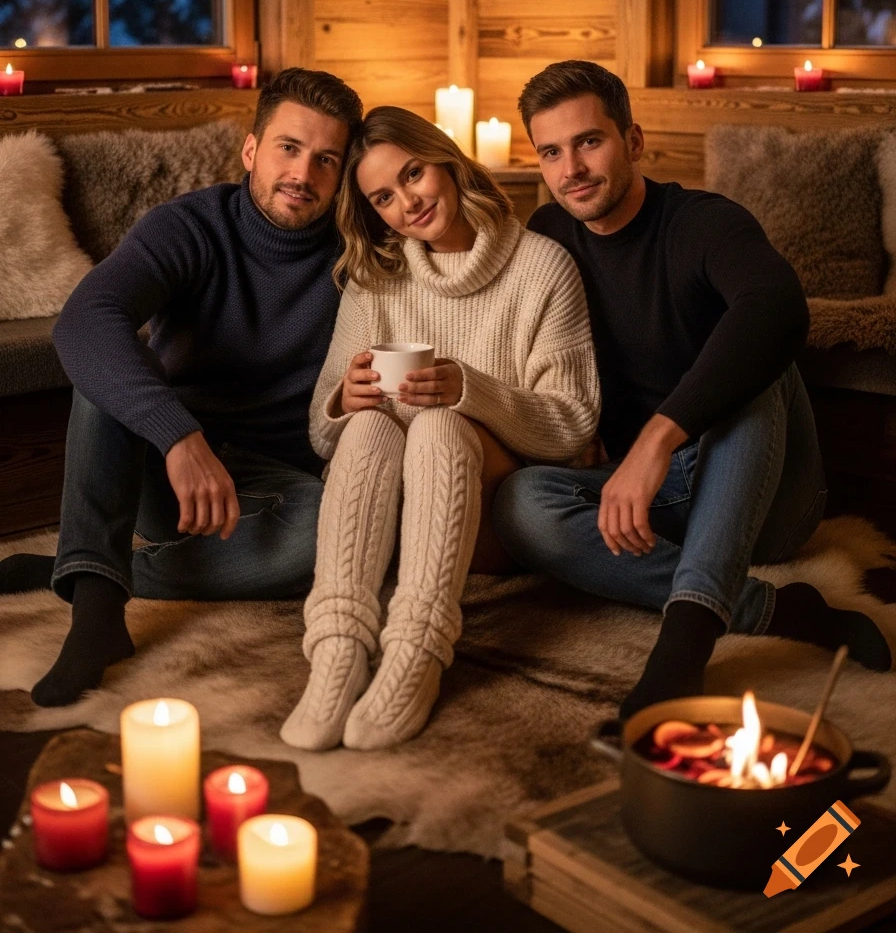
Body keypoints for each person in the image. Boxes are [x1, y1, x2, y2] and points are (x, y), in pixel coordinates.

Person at [492, 61, 892, 719]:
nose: (573, 169)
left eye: (589, 141)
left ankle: (683, 648)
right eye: (552, 152)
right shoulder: (548, 238)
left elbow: (778, 307)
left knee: (759, 364)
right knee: (521, 503)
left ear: (635, 141)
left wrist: (658, 436)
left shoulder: (704, 222)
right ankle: (779, 609)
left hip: (765, 495)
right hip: (654, 502)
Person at [0, 68, 363, 708]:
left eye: (325, 158)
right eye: (288, 147)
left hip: (274, 490)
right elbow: (85, 320)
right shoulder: (192, 226)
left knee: (330, 536)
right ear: (251, 150)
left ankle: (89, 570)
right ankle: (98, 612)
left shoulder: (359, 247)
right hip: (168, 473)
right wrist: (181, 437)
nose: (303, 174)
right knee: (106, 365)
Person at [279, 106, 598, 751]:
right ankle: (339, 648)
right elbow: (321, 429)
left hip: (502, 508)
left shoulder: (544, 267)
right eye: (384, 198)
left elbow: (572, 425)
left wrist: (470, 390)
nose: (408, 203)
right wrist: (346, 398)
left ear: (446, 161)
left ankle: (418, 649)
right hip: (403, 510)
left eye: (414, 173)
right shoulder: (377, 276)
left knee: (439, 425)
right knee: (367, 427)